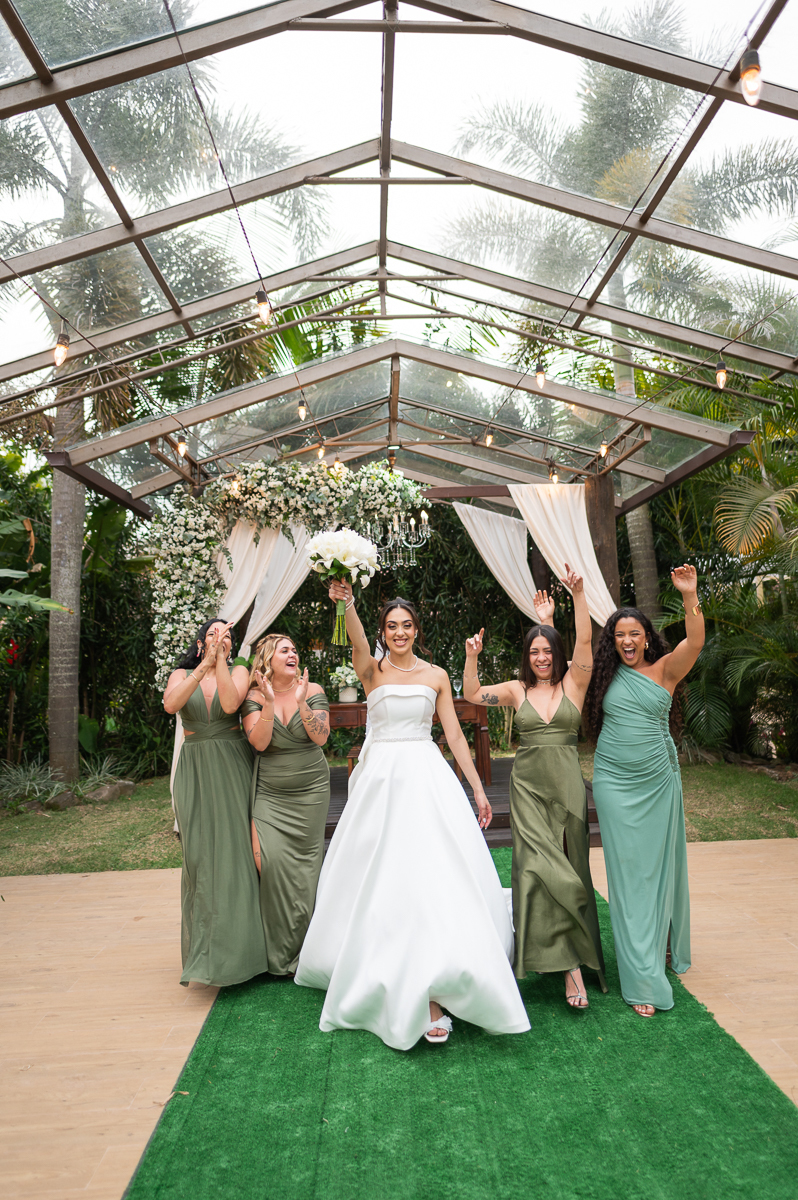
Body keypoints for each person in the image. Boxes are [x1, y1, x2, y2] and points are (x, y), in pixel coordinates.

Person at [295, 585, 531, 1050]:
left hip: (426, 778)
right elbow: (356, 640)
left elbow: (455, 737)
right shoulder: (371, 670)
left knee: (432, 872)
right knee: (383, 875)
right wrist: (347, 603)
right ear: (383, 633)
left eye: (406, 625)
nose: (399, 632)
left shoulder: (437, 675)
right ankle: (383, 968)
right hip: (380, 782)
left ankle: (441, 976)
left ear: (417, 630)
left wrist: (477, 789)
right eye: (391, 627)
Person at [464, 566, 606, 1010]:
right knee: (533, 872)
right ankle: (553, 962)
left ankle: (572, 964)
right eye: (534, 652)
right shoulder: (514, 690)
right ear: (526, 657)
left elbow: (585, 642)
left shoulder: (575, 682)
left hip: (566, 789)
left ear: (557, 653)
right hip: (526, 789)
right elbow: (472, 693)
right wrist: (472, 656)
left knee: (569, 869)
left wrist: (578, 597)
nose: (541, 658)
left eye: (547, 651)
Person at [586, 565, 705, 1017]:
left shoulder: (664, 669)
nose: (627, 641)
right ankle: (641, 975)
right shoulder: (603, 677)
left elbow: (695, 642)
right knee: (629, 875)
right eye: (619, 635)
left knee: (658, 868)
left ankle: (664, 942)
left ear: (647, 637)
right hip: (614, 783)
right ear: (612, 642)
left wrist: (690, 596)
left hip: (658, 782)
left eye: (634, 633)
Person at [163, 618, 268, 986]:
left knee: (236, 853)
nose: (218, 638)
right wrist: (203, 666)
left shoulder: (240, 670)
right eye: (212, 633)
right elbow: (171, 705)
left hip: (232, 765)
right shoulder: (180, 674)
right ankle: (204, 952)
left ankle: (242, 954)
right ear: (199, 642)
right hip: (194, 767)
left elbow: (229, 702)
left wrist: (220, 661)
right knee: (199, 857)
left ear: (232, 644)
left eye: (225, 635)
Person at [241, 634, 331, 976]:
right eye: (285, 650)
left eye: (294, 649)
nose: (293, 654)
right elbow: (260, 743)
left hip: (311, 790)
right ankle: (277, 953)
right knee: (271, 863)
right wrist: (268, 702)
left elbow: (321, 736)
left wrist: (302, 701)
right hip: (272, 794)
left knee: (307, 870)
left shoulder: (313, 689)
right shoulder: (253, 697)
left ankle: (308, 951)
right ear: (268, 659)